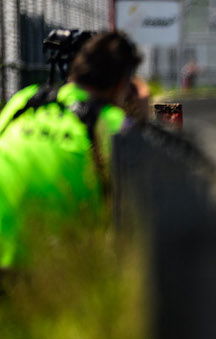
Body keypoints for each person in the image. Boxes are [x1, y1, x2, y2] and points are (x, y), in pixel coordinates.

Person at [0, 31, 146, 270]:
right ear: (122, 84)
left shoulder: (26, 99)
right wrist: (141, 115)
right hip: (47, 266)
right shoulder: (115, 126)